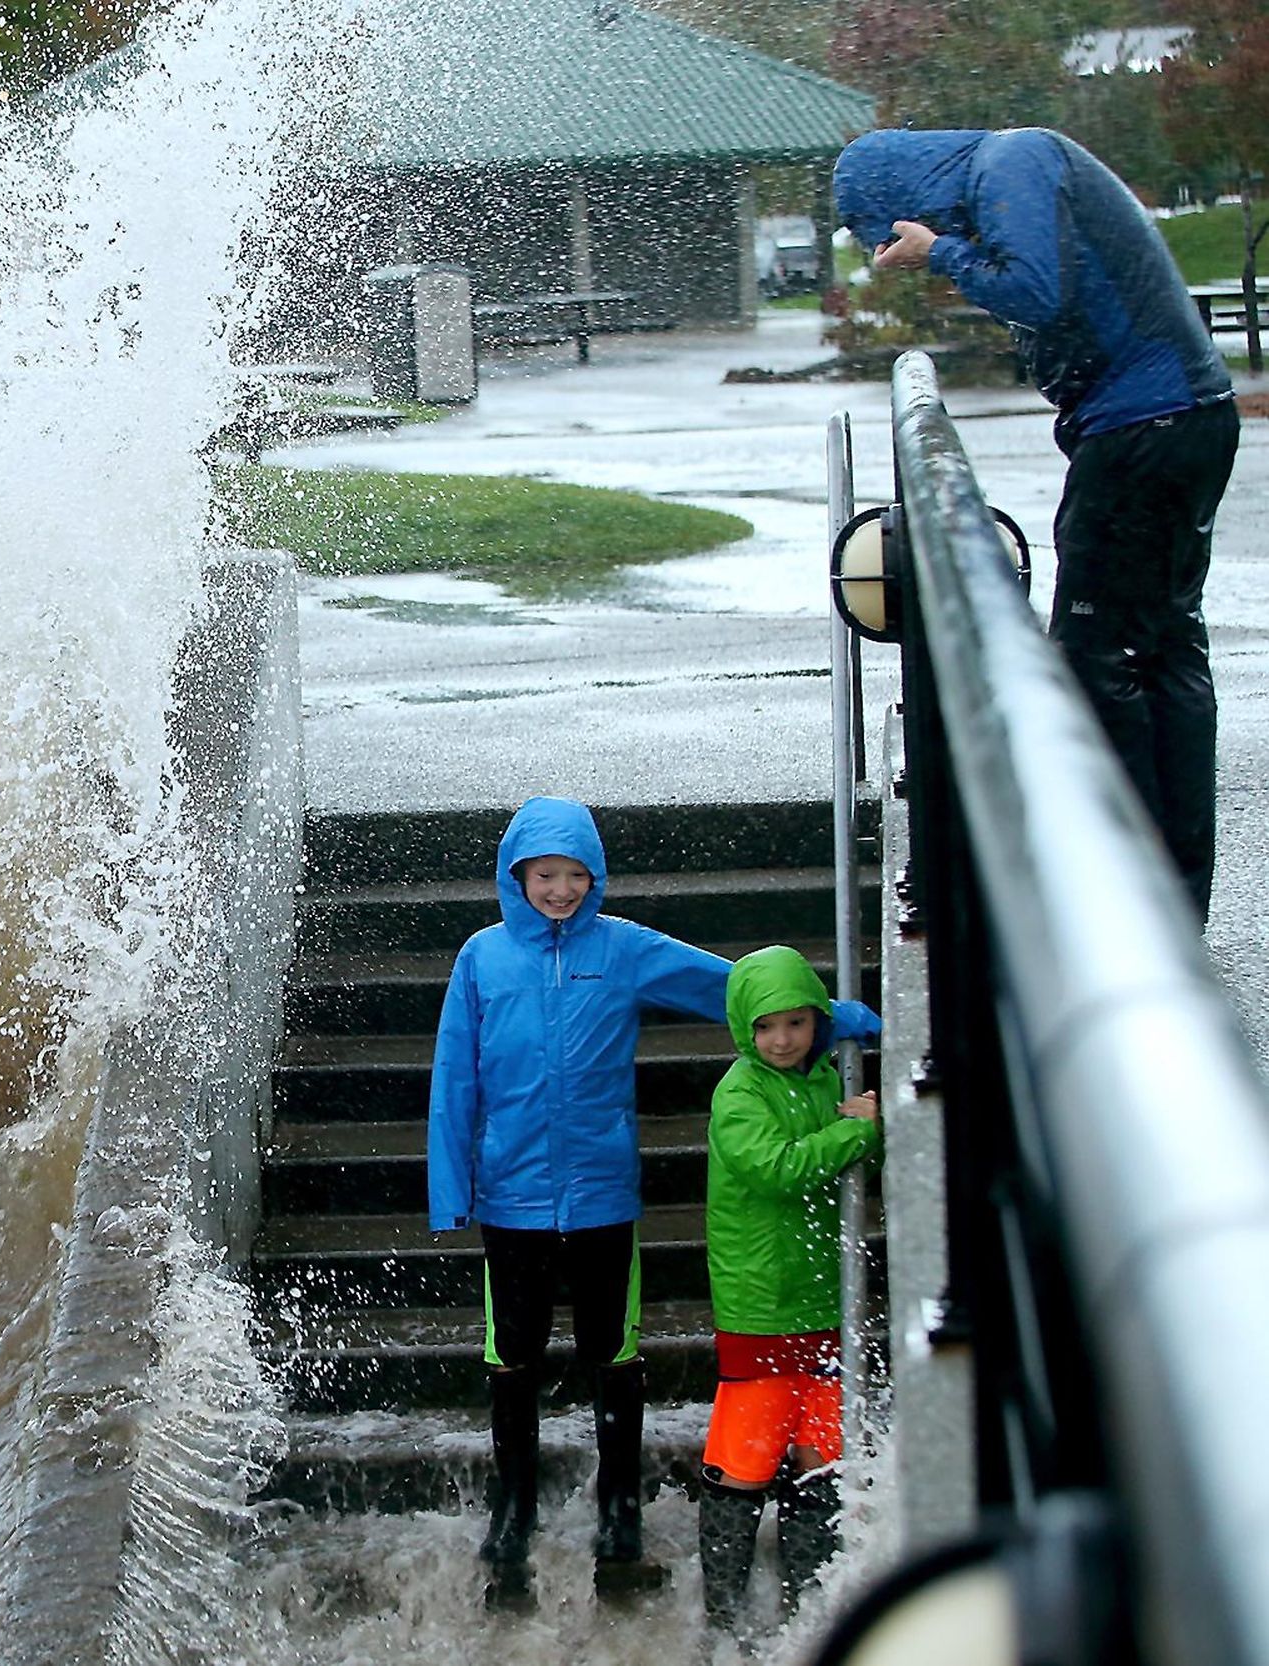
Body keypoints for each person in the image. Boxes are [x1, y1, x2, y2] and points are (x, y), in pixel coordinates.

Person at [428, 797, 882, 1613]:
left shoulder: (624, 949)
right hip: (512, 1197)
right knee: (512, 1357)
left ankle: (619, 1519)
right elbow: (455, 1077)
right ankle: (512, 1514)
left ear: (594, 879)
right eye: (544, 875)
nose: (560, 890)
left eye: (575, 876)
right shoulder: (482, 959)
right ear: (516, 877)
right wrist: (451, 1188)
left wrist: (831, 1020)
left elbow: (730, 989)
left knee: (616, 1355)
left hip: (603, 1193)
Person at [834, 129, 1241, 919]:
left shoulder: (1010, 165)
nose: (898, 249)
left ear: (900, 197)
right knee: (1162, 652)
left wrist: (942, 253)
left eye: (888, 233)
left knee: (1098, 661)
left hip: (1144, 430)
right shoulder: (1007, 171)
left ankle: (1124, 895)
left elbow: (1038, 291)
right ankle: (1174, 894)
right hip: (1181, 418)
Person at [696, 945, 882, 1642]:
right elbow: (776, 1169)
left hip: (820, 1297)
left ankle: (812, 1608)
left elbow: (853, 1155)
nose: (782, 1040)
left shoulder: (823, 1078)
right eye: (767, 1027)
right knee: (745, 1454)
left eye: (797, 1025)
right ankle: (724, 1619)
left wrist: (868, 1131)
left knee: (820, 1450)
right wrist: (852, 1132)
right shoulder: (739, 1093)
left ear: (817, 1022)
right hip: (761, 1300)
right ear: (746, 1028)